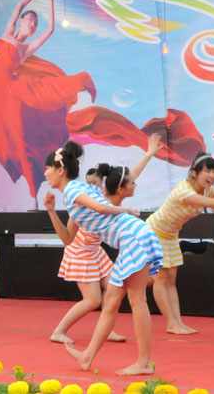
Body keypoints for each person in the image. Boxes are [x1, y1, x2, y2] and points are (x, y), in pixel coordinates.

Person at [0, 0, 206, 209]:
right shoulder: (7, 35)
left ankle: (32, 196)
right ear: (21, 20)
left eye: (36, 23)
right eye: (31, 20)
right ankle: (31, 190)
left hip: (14, 91)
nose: (33, 25)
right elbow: (19, 5)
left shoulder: (25, 49)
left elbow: (50, 29)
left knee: (21, 138)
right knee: (5, 138)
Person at [45, 141, 163, 376]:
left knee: (136, 301)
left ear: (60, 170)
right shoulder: (77, 192)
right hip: (134, 236)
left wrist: (126, 209)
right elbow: (68, 238)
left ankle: (144, 362)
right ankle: (87, 356)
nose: (46, 173)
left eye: (48, 168)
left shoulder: (73, 190)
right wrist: (50, 211)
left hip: (132, 237)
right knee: (110, 304)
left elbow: (100, 208)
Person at [146, 152, 214, 334]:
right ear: (194, 173)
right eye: (208, 171)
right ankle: (171, 324)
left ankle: (177, 322)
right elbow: (211, 202)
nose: (212, 176)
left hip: (170, 236)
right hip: (153, 233)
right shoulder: (184, 190)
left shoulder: (207, 189)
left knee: (171, 280)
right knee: (160, 280)